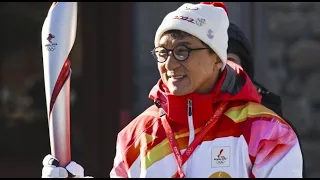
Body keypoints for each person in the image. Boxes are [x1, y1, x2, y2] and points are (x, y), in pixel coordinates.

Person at [41, 2, 303, 178]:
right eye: (163, 52)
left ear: (216, 58)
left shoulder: (266, 132)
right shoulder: (136, 137)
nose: (170, 63)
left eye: (183, 51)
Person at [226, 22, 283, 117]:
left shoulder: (268, 119)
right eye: (216, 61)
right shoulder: (193, 112)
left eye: (230, 60)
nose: (221, 68)